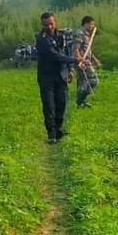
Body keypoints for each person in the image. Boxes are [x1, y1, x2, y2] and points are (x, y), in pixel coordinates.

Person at [35, 12, 79, 144]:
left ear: (55, 22)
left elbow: (66, 52)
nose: (49, 27)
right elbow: (55, 56)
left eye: (51, 23)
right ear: (42, 25)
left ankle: (58, 130)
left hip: (61, 75)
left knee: (62, 103)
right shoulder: (41, 39)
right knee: (49, 106)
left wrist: (70, 69)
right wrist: (75, 60)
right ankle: (51, 134)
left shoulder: (61, 36)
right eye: (46, 25)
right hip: (46, 76)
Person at [74, 16, 101, 108]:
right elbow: (76, 49)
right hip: (83, 62)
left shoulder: (87, 35)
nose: (92, 26)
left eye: (93, 24)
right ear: (85, 24)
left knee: (82, 82)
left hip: (87, 60)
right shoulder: (79, 33)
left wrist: (94, 59)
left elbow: (87, 49)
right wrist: (79, 60)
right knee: (93, 80)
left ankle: (81, 102)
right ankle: (79, 100)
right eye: (91, 24)